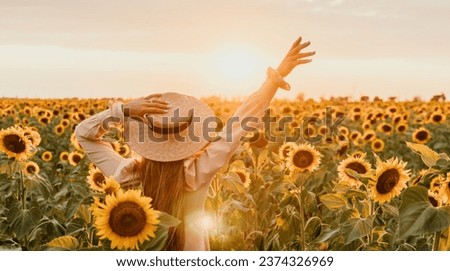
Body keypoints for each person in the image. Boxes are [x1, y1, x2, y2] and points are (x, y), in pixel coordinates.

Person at [75, 36, 315, 250]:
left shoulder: (128, 176)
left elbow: (84, 134)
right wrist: (274, 80)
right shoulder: (198, 172)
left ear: (146, 137)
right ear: (190, 134)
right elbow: (239, 123)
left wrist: (122, 111)